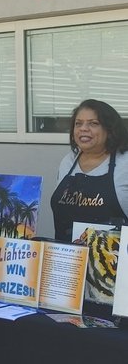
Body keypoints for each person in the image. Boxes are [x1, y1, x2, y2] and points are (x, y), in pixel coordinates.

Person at [50, 99, 128, 310]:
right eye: (78, 123)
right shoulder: (68, 161)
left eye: (93, 123)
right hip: (65, 276)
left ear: (109, 129)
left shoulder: (124, 163)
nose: (83, 129)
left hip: (112, 283)